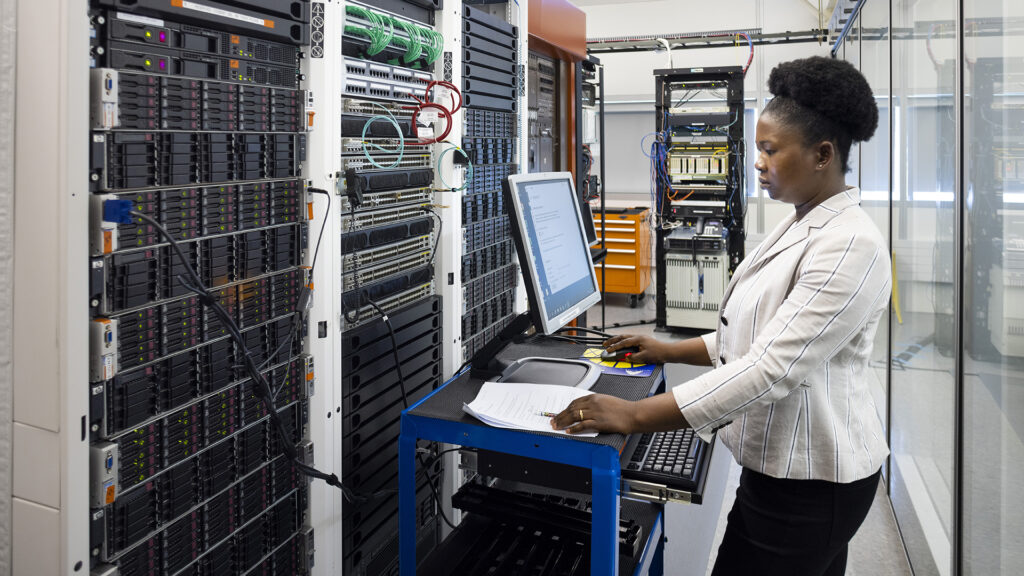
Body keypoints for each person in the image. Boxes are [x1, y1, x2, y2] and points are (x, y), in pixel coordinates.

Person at [551, 56, 890, 576]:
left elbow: (772, 368)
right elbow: (759, 333)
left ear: (823, 154)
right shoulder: (803, 222)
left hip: (811, 485)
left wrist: (635, 415)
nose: (757, 162)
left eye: (770, 149)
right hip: (783, 470)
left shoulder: (849, 244)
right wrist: (672, 348)